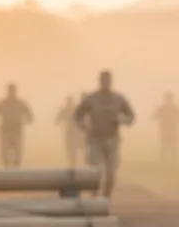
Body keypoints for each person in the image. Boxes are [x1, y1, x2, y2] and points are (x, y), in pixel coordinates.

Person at [74, 70, 135, 198]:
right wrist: (84, 126)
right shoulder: (91, 99)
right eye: (103, 80)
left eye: (108, 80)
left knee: (111, 174)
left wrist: (123, 120)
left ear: (111, 81)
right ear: (99, 81)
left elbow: (131, 117)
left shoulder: (119, 99)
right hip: (95, 139)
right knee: (94, 172)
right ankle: (94, 197)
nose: (106, 83)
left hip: (112, 139)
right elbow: (78, 115)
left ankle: (106, 197)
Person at [0, 82, 34, 168]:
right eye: (10, 90)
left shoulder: (21, 104)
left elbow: (30, 115)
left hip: (17, 131)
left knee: (18, 154)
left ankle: (16, 171)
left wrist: (27, 120)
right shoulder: (2, 103)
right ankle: (6, 171)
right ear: (8, 91)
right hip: (5, 131)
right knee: (4, 153)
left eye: (13, 90)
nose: (12, 92)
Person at [151, 92, 179, 167]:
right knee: (165, 145)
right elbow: (154, 116)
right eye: (168, 98)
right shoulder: (165, 108)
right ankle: (165, 160)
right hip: (166, 129)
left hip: (171, 129)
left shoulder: (172, 108)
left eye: (169, 98)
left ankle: (171, 160)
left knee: (171, 145)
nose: (168, 100)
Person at [56, 95, 84, 167]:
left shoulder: (66, 110)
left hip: (74, 132)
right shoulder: (75, 109)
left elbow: (57, 120)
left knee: (73, 150)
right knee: (77, 150)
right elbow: (57, 119)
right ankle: (77, 165)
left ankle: (74, 165)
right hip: (76, 132)